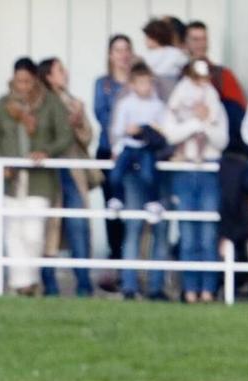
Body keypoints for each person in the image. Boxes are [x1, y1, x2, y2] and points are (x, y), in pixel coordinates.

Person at [0, 58, 74, 296]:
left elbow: (65, 135)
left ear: (35, 80)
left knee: (34, 233)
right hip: (10, 179)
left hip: (40, 178)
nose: (22, 86)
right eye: (18, 81)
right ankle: (21, 285)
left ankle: (28, 280)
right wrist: (0, 162)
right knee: (13, 232)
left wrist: (46, 152)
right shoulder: (3, 105)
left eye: (27, 81)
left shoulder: (50, 103)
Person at [165, 58, 227, 302]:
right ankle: (190, 289)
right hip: (185, 168)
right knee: (188, 232)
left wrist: (206, 124)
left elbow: (221, 140)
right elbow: (171, 134)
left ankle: (208, 289)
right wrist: (195, 122)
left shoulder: (215, 103)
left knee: (208, 232)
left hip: (209, 169)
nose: (202, 83)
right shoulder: (177, 103)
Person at [108, 61, 169, 300]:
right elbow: (117, 130)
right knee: (133, 227)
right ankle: (130, 285)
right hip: (131, 160)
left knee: (157, 230)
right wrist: (122, 141)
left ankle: (155, 286)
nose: (145, 86)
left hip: (151, 160)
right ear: (133, 84)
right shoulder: (125, 104)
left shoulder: (159, 105)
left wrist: (148, 132)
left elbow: (164, 132)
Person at [39, 57, 95, 298]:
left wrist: (78, 121)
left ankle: (84, 284)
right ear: (48, 77)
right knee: (48, 230)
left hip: (72, 171)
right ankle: (49, 284)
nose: (66, 73)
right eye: (60, 70)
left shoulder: (74, 102)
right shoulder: (41, 102)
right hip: (48, 173)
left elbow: (88, 137)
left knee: (78, 226)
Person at [94, 35, 135, 288]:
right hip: (109, 151)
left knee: (133, 208)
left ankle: (132, 267)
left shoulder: (139, 83)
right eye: (117, 50)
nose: (122, 55)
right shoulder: (103, 84)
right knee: (113, 208)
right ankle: (115, 262)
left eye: (126, 50)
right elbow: (103, 115)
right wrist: (118, 138)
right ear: (110, 55)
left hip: (133, 153)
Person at [184, 22, 244, 107]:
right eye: (195, 39)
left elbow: (239, 110)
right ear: (186, 43)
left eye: (204, 39)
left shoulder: (223, 74)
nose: (201, 44)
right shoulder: (179, 73)